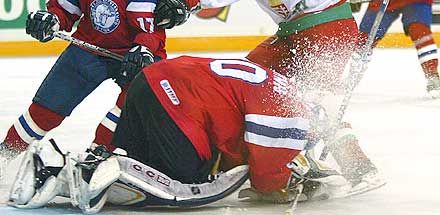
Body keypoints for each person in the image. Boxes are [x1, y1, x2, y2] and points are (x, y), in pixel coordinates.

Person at [151, 0, 421, 189]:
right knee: (247, 81)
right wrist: (181, 3)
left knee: (315, 101)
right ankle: (258, 161)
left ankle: (359, 168)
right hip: (290, 33)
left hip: (329, 24)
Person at [8, 56, 351, 213]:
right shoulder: (291, 113)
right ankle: (100, 175)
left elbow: (234, 140)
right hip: (174, 103)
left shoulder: (279, 86)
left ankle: (55, 171)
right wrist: (288, 186)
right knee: (188, 175)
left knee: (148, 161)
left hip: (152, 82)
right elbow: (266, 181)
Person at [0, 0, 167, 178]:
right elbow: (63, 12)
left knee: (127, 113)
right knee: (44, 111)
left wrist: (144, 49)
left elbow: (147, 26)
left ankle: (97, 160)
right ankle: (4, 154)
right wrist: (50, 20)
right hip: (88, 48)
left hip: (135, 55)